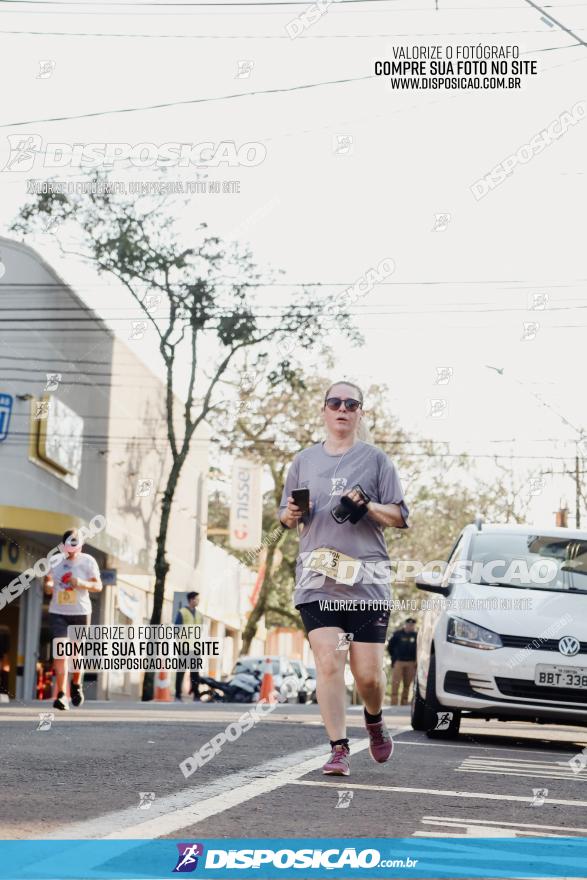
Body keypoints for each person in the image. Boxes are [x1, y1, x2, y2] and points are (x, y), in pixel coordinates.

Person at [279, 381, 409, 776]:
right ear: (324, 410)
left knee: (368, 675)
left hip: (367, 582)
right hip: (317, 581)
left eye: (351, 404)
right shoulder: (303, 461)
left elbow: (401, 517)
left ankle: (374, 718)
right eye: (335, 402)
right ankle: (339, 747)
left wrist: (367, 505)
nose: (342, 409)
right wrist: (291, 515)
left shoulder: (376, 461)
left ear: (360, 414)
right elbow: (285, 517)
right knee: (328, 661)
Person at [43, 529, 103, 710]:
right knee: (60, 655)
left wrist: (81, 583)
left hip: (80, 612)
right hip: (58, 612)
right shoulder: (55, 561)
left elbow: (98, 586)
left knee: (76, 655)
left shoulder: (88, 561)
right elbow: (48, 583)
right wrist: (48, 585)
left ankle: (76, 684)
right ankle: (61, 695)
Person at [175, 591, 203, 701]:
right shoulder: (182, 612)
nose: (198, 601)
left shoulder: (199, 615)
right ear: (191, 600)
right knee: (181, 672)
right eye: (196, 599)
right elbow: (176, 629)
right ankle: (177, 694)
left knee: (195, 673)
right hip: (184, 647)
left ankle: (196, 694)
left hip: (195, 648)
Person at [388, 618, 418, 706]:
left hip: (411, 663)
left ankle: (403, 704)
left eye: (412, 625)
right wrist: (394, 658)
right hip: (399, 662)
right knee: (395, 683)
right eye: (409, 624)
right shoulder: (397, 634)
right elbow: (390, 647)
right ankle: (393, 704)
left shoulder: (416, 636)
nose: (410, 626)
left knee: (407, 684)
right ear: (405, 625)